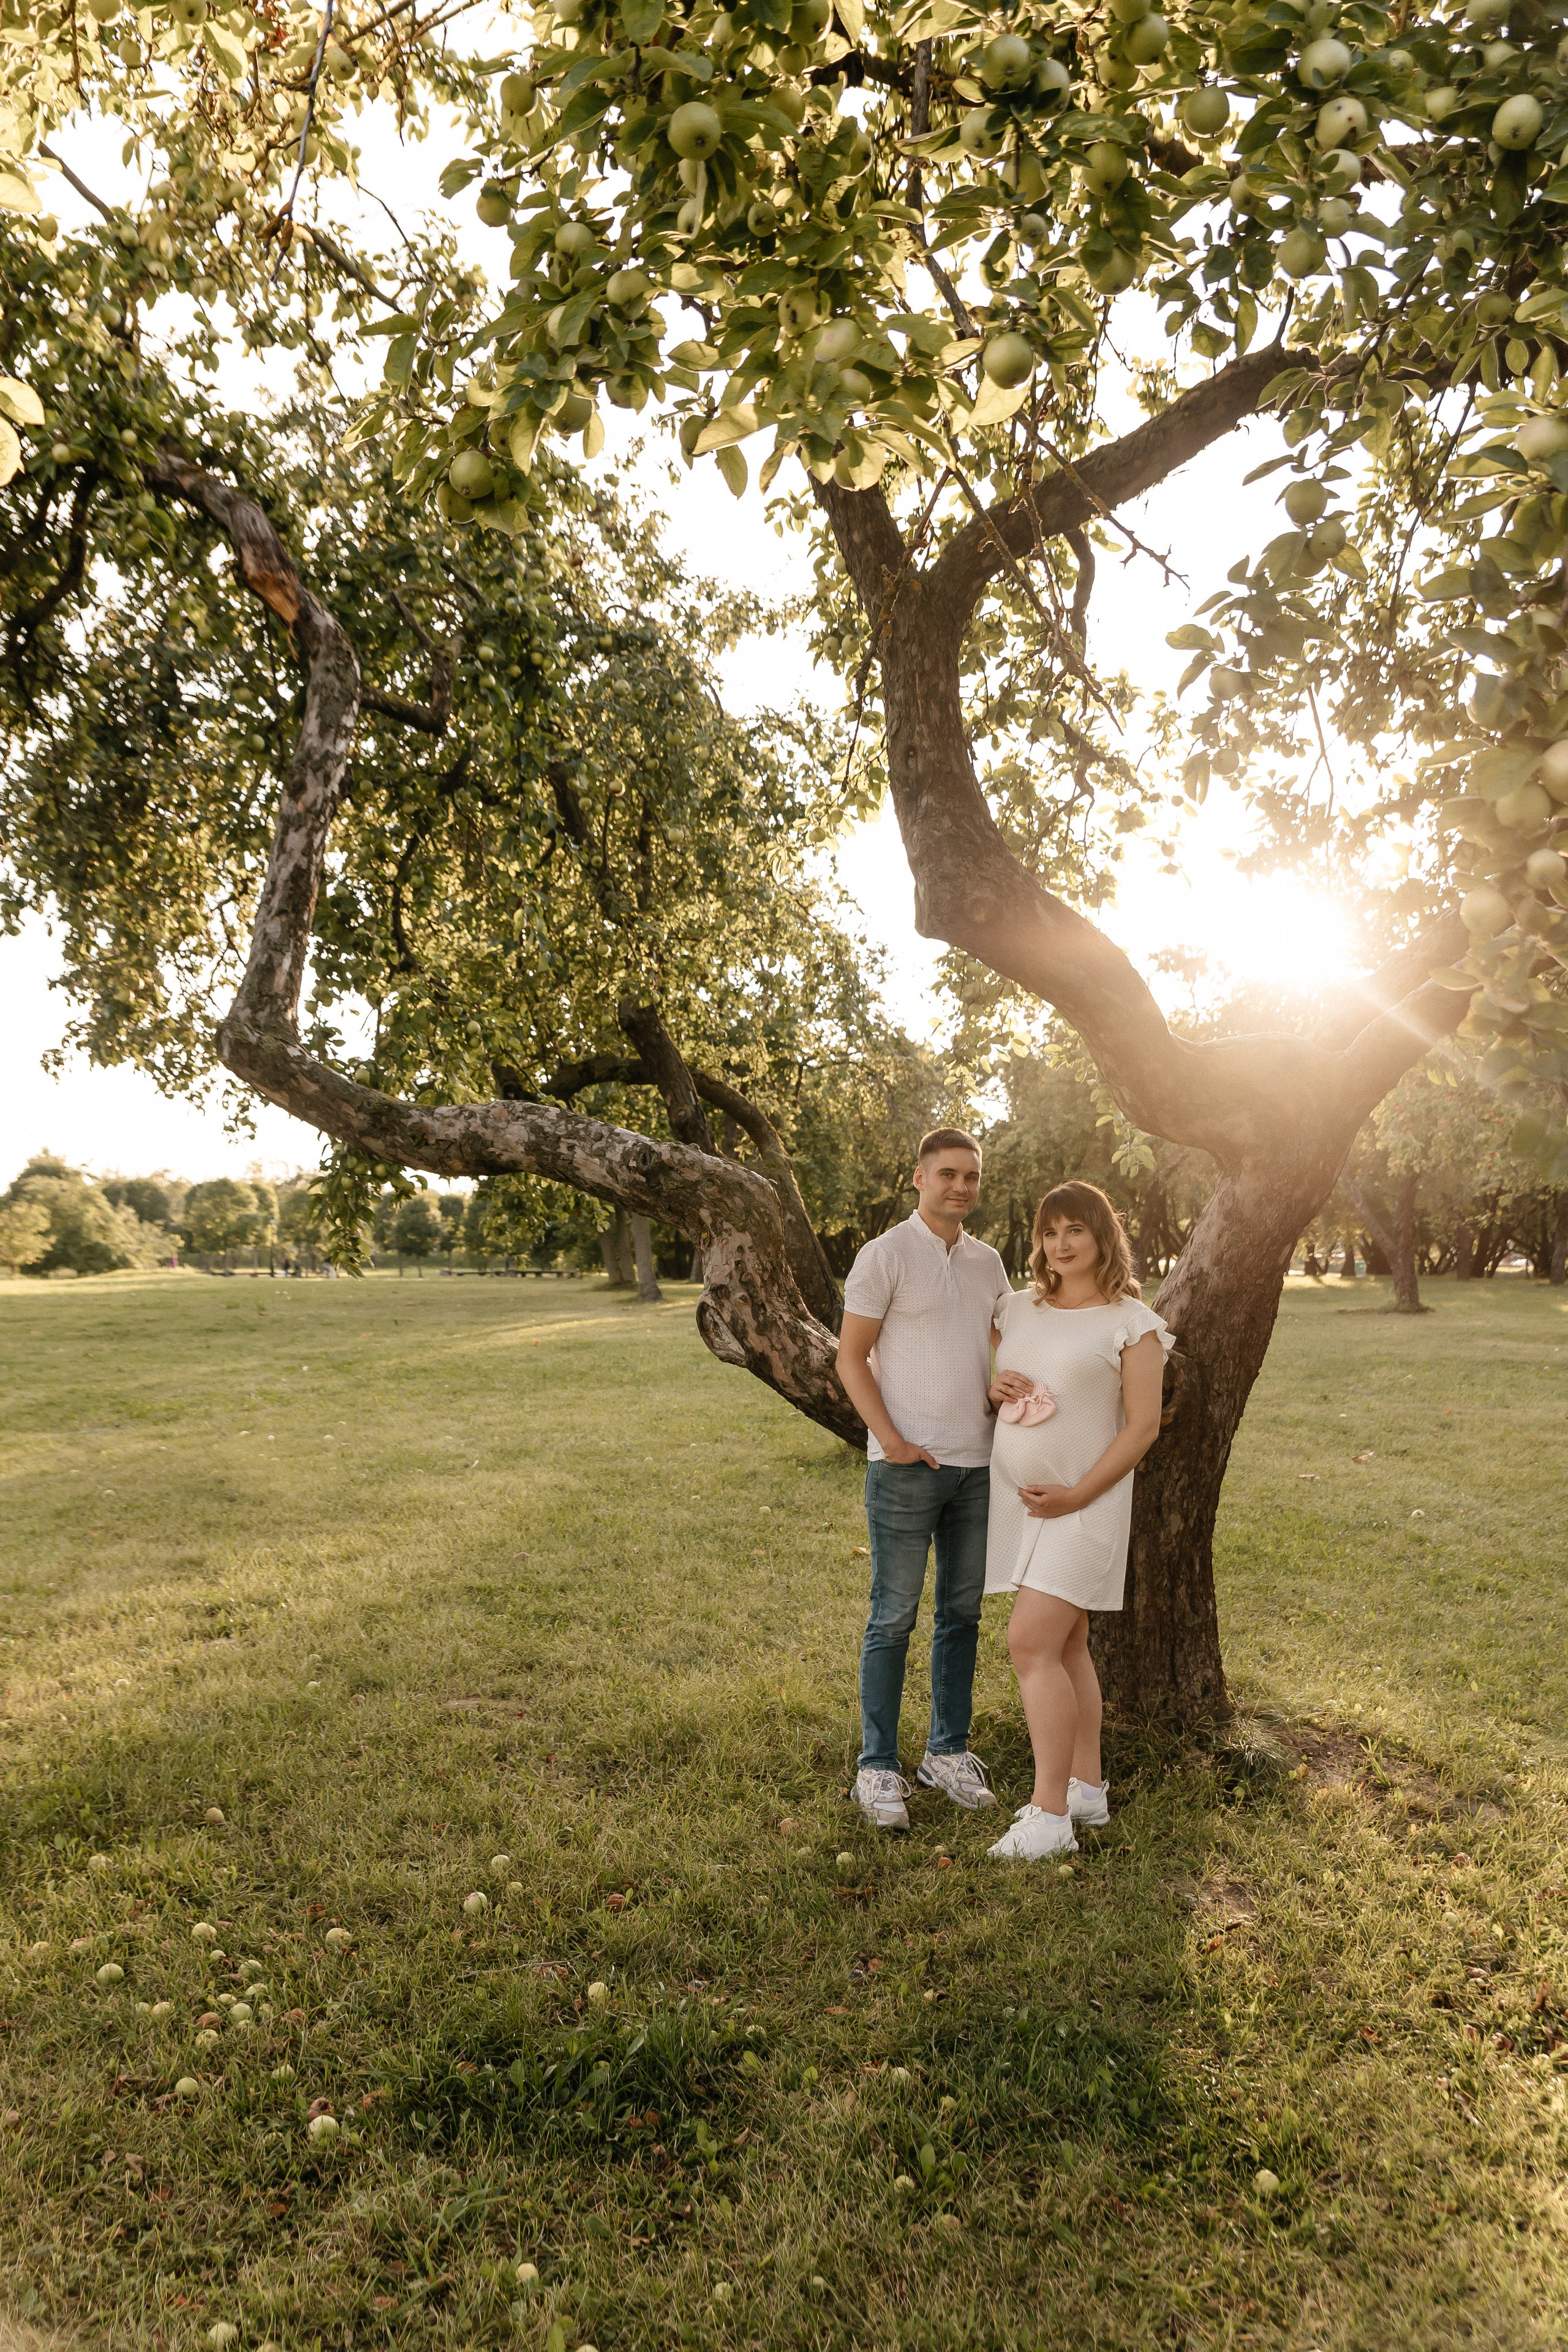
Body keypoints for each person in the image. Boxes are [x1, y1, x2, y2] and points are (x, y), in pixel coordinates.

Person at [982, 1181, 1172, 1862]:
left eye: (1075, 1232)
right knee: (1066, 1648)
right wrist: (991, 1383)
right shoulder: (1017, 1308)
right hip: (1020, 1507)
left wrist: (1077, 1494)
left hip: (1085, 1506)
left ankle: (1049, 1814)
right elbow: (993, 1373)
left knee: (1029, 1644)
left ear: (1102, 1239)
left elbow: (1143, 1427)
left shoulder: (1131, 1323)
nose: (1059, 1245)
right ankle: (1086, 1787)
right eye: (1050, 1232)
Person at [835, 1128, 1012, 1830]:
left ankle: (945, 1753)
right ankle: (877, 1768)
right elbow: (851, 1359)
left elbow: (1004, 1347)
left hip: (979, 1466)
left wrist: (1006, 1396)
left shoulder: (988, 1262)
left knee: (961, 1616)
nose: (960, 1187)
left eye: (970, 1177)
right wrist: (893, 1442)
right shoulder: (884, 1255)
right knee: (893, 1617)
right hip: (906, 1470)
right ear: (918, 1178)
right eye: (947, 1175)